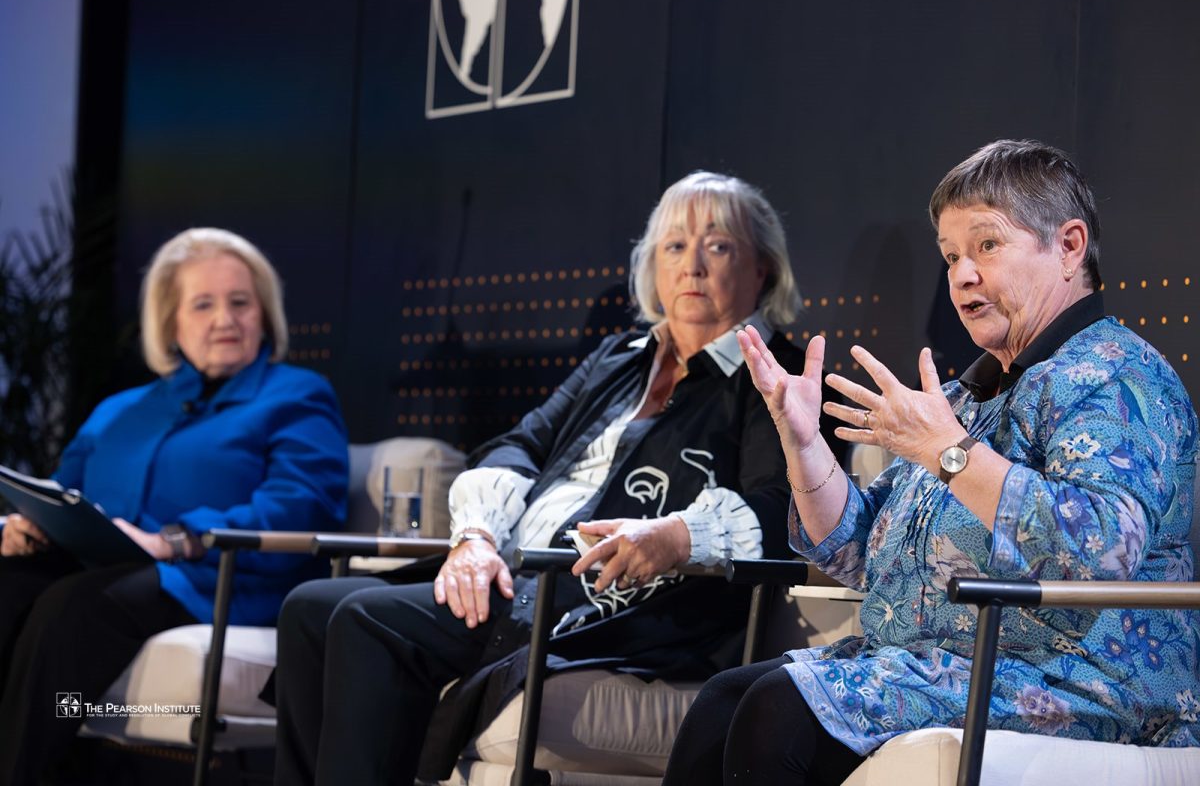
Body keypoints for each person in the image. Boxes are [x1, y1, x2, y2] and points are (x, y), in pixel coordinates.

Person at [272, 171, 847, 785]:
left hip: (621, 601)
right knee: (308, 607)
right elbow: (519, 444)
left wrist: (676, 537)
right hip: (519, 573)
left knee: (365, 620)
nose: (693, 266)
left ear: (762, 269)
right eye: (675, 247)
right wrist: (475, 540)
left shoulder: (775, 375)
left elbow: (783, 504)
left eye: (719, 245)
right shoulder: (619, 358)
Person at [661, 139, 1200, 786]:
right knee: (722, 704)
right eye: (951, 257)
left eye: (987, 247)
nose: (962, 276)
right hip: (939, 662)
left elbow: (1100, 547)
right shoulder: (965, 398)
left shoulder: (1113, 376)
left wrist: (948, 455)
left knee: (778, 715)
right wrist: (802, 445)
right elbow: (855, 551)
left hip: (1083, 680)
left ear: (1070, 246)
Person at [0, 228, 348, 784]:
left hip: (217, 581)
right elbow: (60, 490)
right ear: (170, 322)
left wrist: (174, 540)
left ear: (265, 314)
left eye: (241, 302)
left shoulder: (297, 395)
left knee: (78, 604)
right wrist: (23, 526)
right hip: (111, 570)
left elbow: (301, 506)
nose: (224, 320)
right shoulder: (120, 409)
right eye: (203, 304)